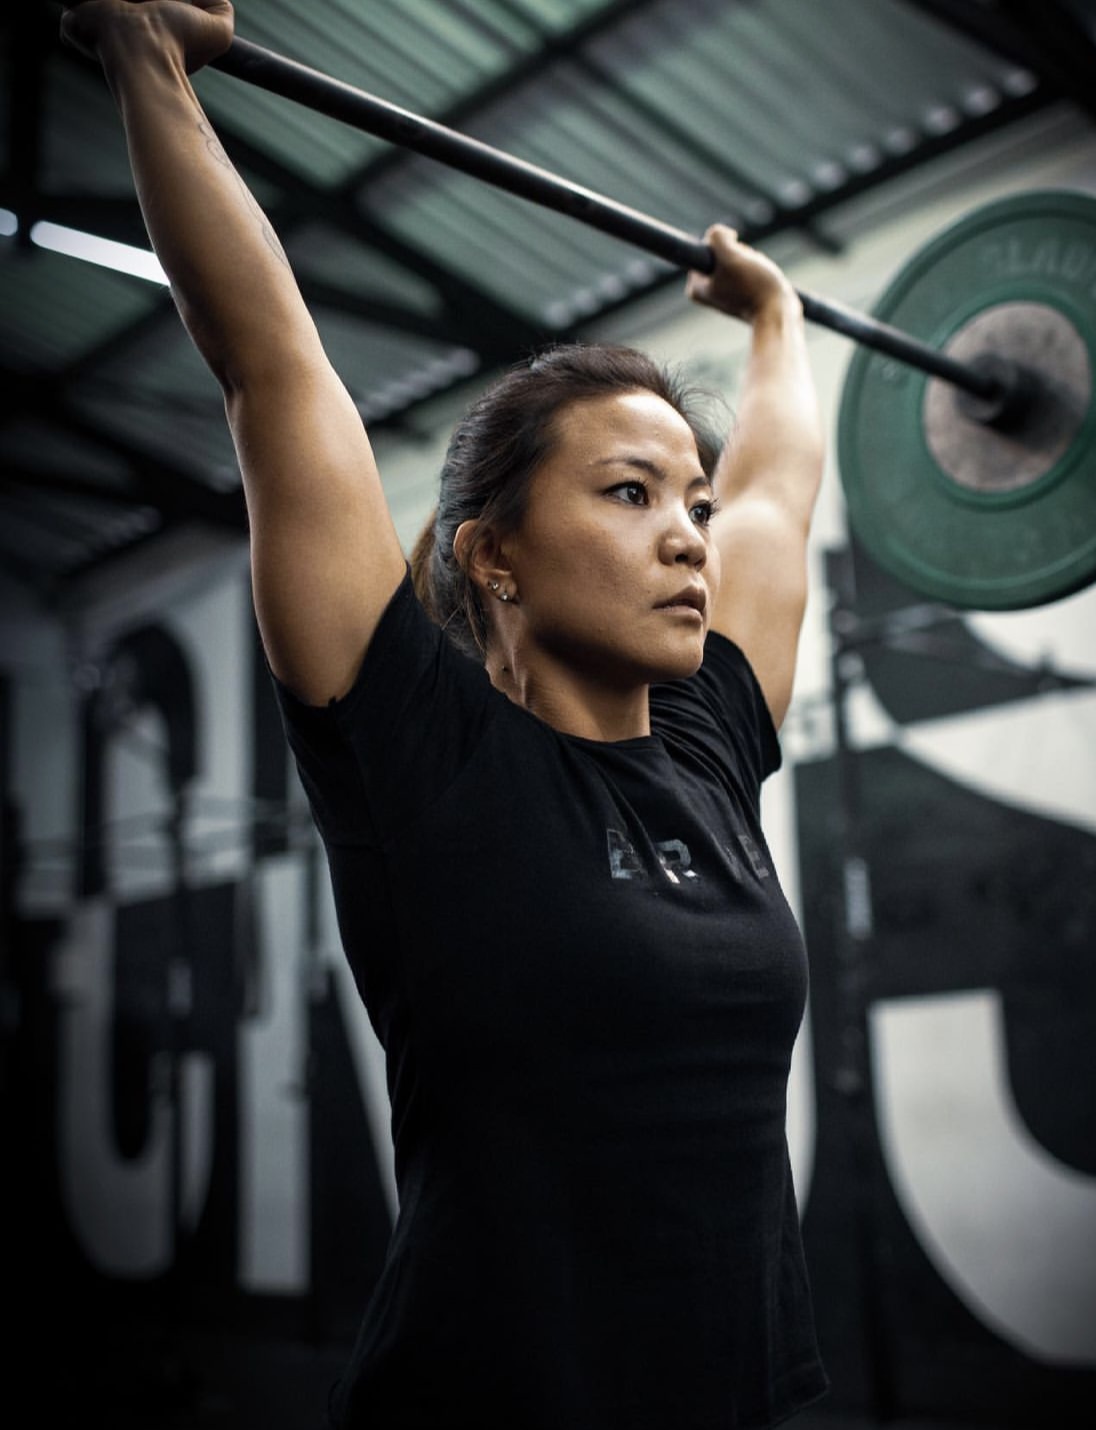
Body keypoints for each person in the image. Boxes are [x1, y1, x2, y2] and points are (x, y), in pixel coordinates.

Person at [62, 1, 831, 1425]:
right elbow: (270, 367)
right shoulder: (421, 749)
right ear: (493, 556)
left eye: (689, 501)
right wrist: (146, 61)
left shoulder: (711, 740)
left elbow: (777, 490)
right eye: (628, 492)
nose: (688, 537)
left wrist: (777, 318)